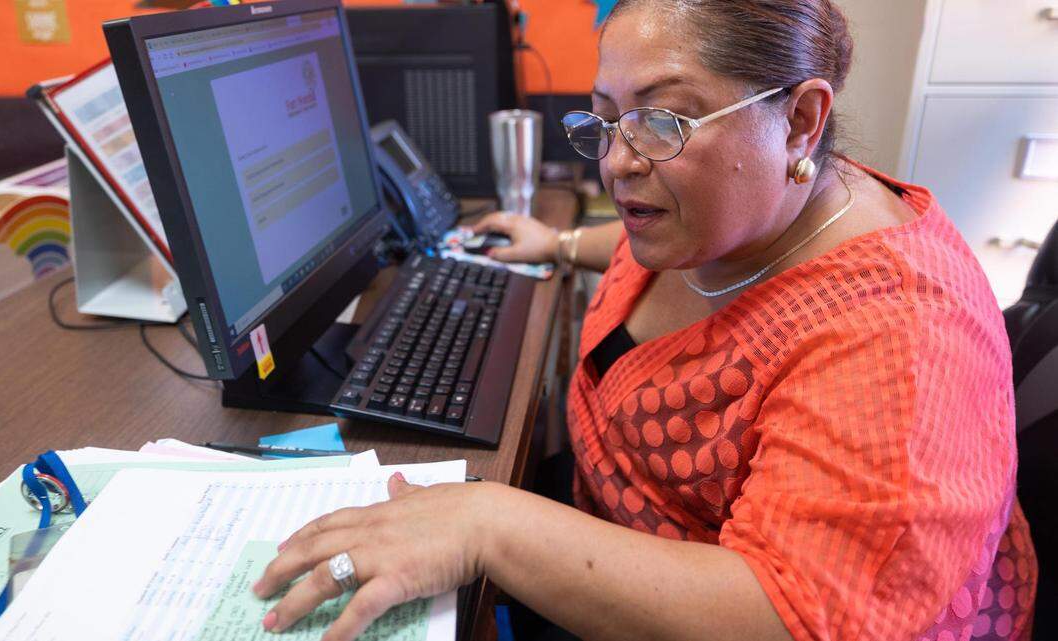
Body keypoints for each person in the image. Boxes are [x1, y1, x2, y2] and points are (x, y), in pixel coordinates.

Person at [251, 1, 1038, 639]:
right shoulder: (742, 208)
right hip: (609, 521)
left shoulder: (899, 341)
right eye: (605, 121)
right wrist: (560, 241)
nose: (619, 162)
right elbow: (643, 244)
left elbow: (793, 614)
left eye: (664, 121)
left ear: (799, 121)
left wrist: (489, 523)